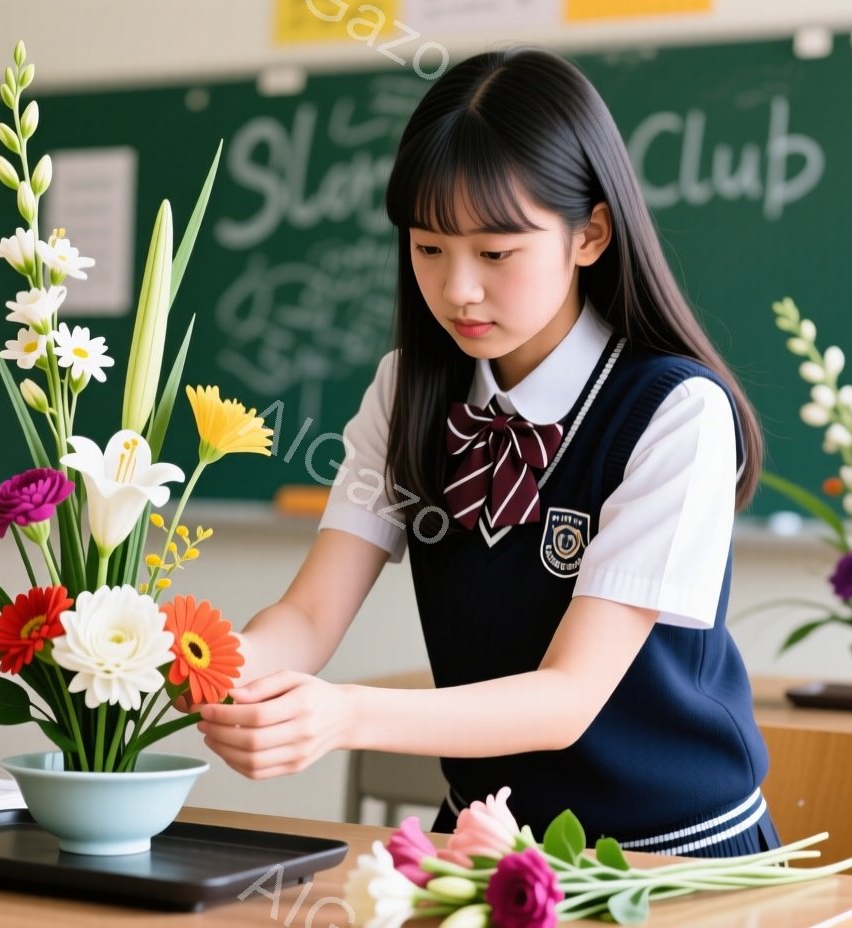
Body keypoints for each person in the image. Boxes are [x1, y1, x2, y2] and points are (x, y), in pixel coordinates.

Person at [195, 47, 779, 857]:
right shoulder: (407, 390)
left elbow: (567, 697)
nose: (457, 289)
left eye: (496, 253)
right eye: (428, 248)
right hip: (482, 842)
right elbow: (309, 614)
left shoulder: (675, 412)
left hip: (667, 859)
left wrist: (344, 714)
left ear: (590, 234)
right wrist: (215, 667)